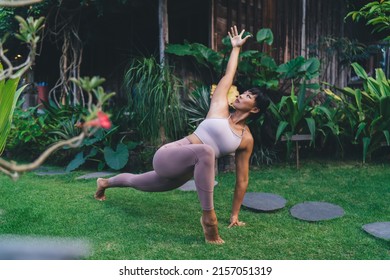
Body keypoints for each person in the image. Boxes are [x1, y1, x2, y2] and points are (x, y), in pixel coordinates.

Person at [94, 26, 270, 244]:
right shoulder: (219, 108)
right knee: (206, 151)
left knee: (134, 181)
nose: (241, 96)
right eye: (243, 93)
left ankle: (103, 184)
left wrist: (235, 215)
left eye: (248, 96)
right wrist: (235, 49)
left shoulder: (246, 139)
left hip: (182, 174)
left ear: (254, 109)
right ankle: (209, 220)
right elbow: (229, 75)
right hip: (169, 155)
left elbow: (242, 179)